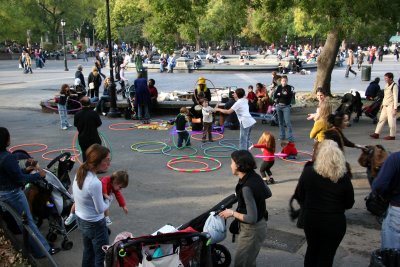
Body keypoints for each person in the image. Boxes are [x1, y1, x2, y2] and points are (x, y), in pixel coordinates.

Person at [0, 127, 60, 258]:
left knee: (21, 222)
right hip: (13, 193)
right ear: (6, 140)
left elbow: (10, 174)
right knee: (28, 222)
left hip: (3, 192)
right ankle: (43, 250)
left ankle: (32, 247)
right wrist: (39, 175)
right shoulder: (7, 158)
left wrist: (25, 170)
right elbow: (21, 180)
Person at [293, 140, 354, 267]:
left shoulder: (309, 172)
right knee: (327, 255)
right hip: (335, 222)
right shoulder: (343, 177)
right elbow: (349, 203)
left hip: (312, 219)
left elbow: (299, 195)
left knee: (312, 250)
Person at [218, 150, 271, 267]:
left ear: (238, 165)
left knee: (241, 263)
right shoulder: (254, 176)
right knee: (249, 262)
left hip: (252, 230)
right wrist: (247, 199)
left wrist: (232, 213)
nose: (230, 165)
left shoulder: (246, 187)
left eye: (231, 162)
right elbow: (268, 193)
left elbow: (251, 218)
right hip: (260, 225)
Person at [73, 144, 112, 267]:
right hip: (95, 224)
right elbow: (100, 209)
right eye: (107, 160)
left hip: (81, 219)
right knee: (101, 256)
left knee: (88, 251)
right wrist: (109, 199)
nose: (109, 164)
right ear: (98, 161)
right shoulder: (94, 182)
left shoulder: (80, 172)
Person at [372, 151, 400, 249]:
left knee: (392, 254)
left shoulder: (395, 158)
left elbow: (379, 185)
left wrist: (386, 195)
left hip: (397, 210)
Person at [370, 72, 398, 140]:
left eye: (386, 78)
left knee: (391, 122)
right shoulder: (386, 85)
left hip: (391, 106)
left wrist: (395, 109)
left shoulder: (394, 86)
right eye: (384, 78)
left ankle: (392, 135)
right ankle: (376, 133)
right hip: (385, 106)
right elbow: (385, 96)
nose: (385, 79)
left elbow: (395, 97)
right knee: (381, 120)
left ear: (390, 78)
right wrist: (382, 104)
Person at [74, 96, 102, 162]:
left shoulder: (77, 114)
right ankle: (96, 168)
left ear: (81, 104)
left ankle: (86, 169)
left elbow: (75, 124)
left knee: (85, 153)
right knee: (96, 153)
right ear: (90, 103)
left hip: (82, 138)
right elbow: (99, 123)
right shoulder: (94, 113)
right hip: (94, 137)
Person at [273, 75, 295, 142]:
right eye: (283, 81)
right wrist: (281, 94)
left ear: (287, 81)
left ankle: (290, 138)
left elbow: (287, 95)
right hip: (279, 106)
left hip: (286, 106)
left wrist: (280, 94)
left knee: (287, 122)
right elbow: (275, 95)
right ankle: (282, 136)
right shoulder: (279, 87)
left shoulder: (289, 87)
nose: (284, 82)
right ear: (281, 81)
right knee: (280, 122)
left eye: (285, 81)